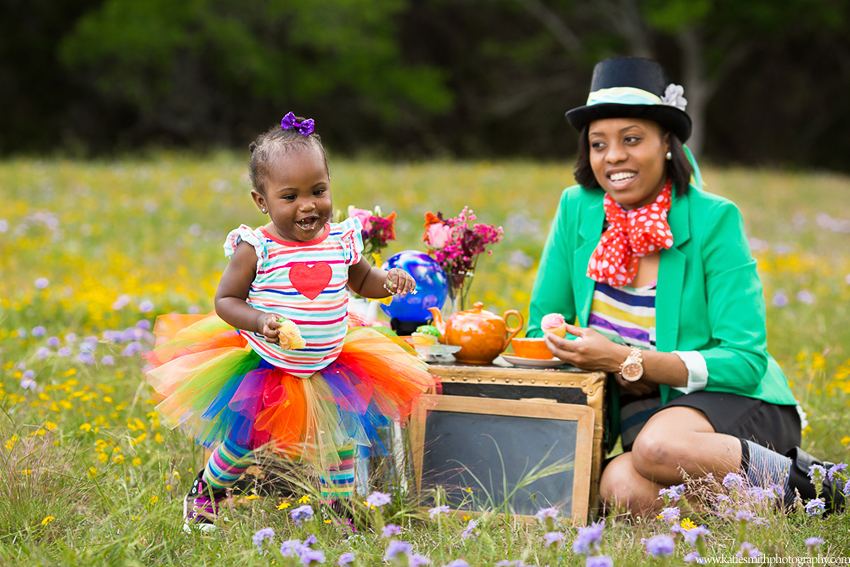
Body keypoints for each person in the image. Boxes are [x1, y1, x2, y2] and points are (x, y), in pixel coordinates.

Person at [527, 57, 844, 515]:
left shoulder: (714, 218)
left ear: (667, 145)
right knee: (620, 487)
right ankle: (772, 511)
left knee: (658, 447)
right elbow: (542, 327)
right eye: (599, 144)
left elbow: (745, 359)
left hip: (732, 402)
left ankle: (827, 489)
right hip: (645, 414)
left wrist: (629, 360)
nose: (612, 156)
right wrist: (568, 344)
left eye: (631, 139)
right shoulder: (577, 209)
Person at [144, 113, 438, 532]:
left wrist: (388, 282)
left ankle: (337, 510)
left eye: (319, 191)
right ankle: (206, 494)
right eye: (290, 196)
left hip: (332, 363)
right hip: (269, 366)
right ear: (261, 201)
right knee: (244, 439)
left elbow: (362, 280)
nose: (308, 205)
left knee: (338, 440)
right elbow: (226, 300)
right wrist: (260, 320)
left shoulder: (341, 239)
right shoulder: (256, 246)